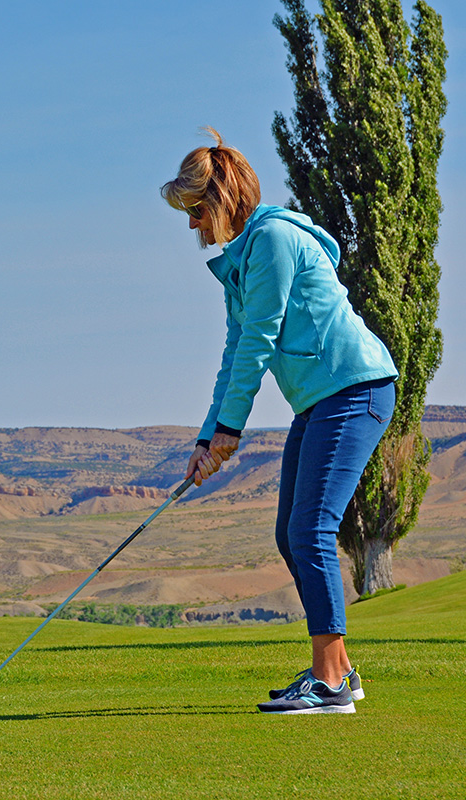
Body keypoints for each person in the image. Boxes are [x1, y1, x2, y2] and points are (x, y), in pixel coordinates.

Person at [161, 129, 397, 714]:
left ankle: (331, 684)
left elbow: (260, 344)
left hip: (354, 389)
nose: (192, 226)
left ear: (217, 200)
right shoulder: (239, 263)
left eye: (194, 211)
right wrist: (205, 437)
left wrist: (229, 435)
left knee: (309, 531)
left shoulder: (271, 241)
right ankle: (338, 670)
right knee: (287, 535)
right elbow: (233, 353)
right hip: (320, 400)